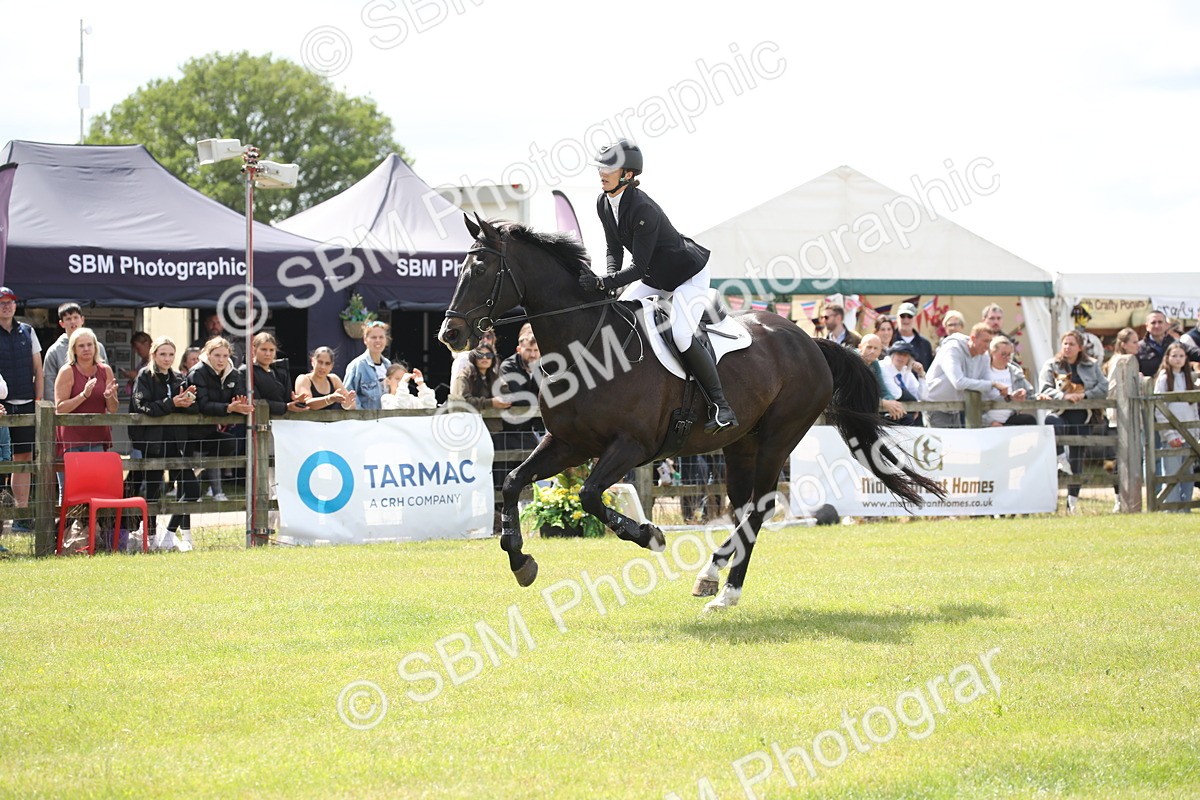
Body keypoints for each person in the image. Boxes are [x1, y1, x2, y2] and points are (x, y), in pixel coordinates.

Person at [579, 139, 736, 431]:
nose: (601, 172)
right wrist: (609, 282)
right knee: (619, 314)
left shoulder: (643, 209)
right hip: (656, 277)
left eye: (608, 167)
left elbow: (637, 267)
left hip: (688, 275)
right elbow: (614, 249)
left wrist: (604, 282)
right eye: (600, 166)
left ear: (627, 174)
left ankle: (722, 406)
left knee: (681, 334)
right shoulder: (604, 202)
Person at [130, 336, 199, 551]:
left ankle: (170, 533)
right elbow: (142, 406)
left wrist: (188, 402)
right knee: (152, 491)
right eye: (163, 354)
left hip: (177, 442)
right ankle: (149, 537)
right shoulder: (145, 376)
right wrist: (172, 403)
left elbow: (189, 408)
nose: (167, 358)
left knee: (191, 488)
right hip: (153, 442)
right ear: (154, 355)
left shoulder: (179, 377)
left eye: (171, 354)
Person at [1039, 330, 1109, 514]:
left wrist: (1084, 395)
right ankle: (1060, 460)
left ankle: (1072, 504)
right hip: (1060, 412)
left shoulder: (1091, 365)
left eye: (1072, 344)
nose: (1067, 347)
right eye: (1065, 344)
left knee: (1077, 459)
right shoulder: (1051, 365)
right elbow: (1044, 387)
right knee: (1051, 422)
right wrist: (1064, 395)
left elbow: (1104, 387)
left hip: (1082, 416)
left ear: (1079, 347)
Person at [187, 337, 253, 502]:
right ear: (208, 354)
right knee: (188, 490)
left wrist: (236, 409)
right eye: (217, 355)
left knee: (228, 444)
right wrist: (227, 408)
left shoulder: (234, 373)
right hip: (189, 431)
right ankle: (194, 488)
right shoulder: (197, 372)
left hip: (211, 430)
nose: (221, 359)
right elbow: (203, 404)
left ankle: (214, 489)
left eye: (225, 355)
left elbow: (239, 399)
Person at [0, 287, 43, 532]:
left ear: (16, 306)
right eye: (2, 302)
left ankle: (21, 515)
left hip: (26, 403)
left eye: (10, 302)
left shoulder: (27, 331)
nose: (7, 306)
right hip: (1, 407)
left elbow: (38, 369)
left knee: (23, 460)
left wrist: (38, 399)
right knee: (1, 460)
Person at [925, 323, 997, 428]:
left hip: (957, 409)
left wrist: (1008, 395)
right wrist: (993, 384)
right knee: (939, 444)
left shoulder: (984, 356)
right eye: (985, 341)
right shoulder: (952, 349)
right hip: (935, 407)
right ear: (973, 338)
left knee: (955, 444)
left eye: (990, 341)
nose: (988, 346)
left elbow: (987, 385)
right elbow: (958, 382)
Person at [1153, 342, 1198, 511]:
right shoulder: (1164, 378)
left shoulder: (1188, 378)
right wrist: (1170, 435)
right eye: (1174, 356)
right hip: (1173, 434)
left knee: (1188, 474)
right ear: (1167, 358)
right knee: (1172, 473)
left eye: (1181, 356)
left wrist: (1195, 432)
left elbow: (1193, 406)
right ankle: (1171, 508)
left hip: (1189, 433)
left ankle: (1185, 507)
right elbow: (1159, 408)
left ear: (1186, 358)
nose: (1178, 359)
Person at [42, 302, 109, 403]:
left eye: (75, 317)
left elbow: (106, 378)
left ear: (82, 319)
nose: (73, 322)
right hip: (66, 410)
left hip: (96, 406)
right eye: (68, 319)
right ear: (62, 323)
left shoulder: (98, 347)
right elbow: (49, 386)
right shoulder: (54, 351)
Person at [239, 332, 309, 416]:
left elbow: (287, 401)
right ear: (254, 349)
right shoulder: (246, 371)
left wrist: (297, 401)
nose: (268, 354)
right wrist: (285, 407)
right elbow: (255, 401)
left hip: (284, 423)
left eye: (271, 350)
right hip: (257, 422)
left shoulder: (281, 371)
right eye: (263, 349)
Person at [982, 336, 1035, 426]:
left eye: (1009, 354)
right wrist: (989, 422)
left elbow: (1030, 394)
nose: (1006, 358)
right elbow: (974, 404)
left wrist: (1039, 396)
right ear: (992, 352)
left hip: (1010, 418)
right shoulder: (982, 372)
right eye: (1003, 354)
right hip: (986, 421)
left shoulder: (1015, 372)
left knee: (1029, 420)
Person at [343, 321, 391, 411]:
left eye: (381, 337)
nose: (378, 340)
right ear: (365, 340)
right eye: (373, 337)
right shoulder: (357, 365)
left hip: (387, 421)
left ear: (386, 340)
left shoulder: (388, 365)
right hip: (365, 423)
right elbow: (348, 397)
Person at [1138, 309, 1200, 376]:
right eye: (1153, 323)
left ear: (1166, 325)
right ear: (1147, 326)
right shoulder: (1139, 348)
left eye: (1160, 322)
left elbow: (1195, 353)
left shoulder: (1176, 344)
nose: (1157, 326)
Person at [857, 334, 905, 421]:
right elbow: (856, 394)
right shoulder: (853, 362)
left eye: (876, 348)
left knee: (903, 417)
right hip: (849, 411)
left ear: (880, 351)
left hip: (868, 410)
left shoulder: (874, 364)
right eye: (869, 347)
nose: (872, 351)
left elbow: (882, 389)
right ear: (860, 347)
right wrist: (883, 403)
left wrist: (892, 402)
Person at [879, 340, 926, 426]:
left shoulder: (906, 371)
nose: (901, 358)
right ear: (892, 354)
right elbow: (896, 393)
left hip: (903, 419)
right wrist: (914, 408)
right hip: (884, 417)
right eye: (899, 354)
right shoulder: (883, 366)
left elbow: (922, 396)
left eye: (905, 355)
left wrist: (921, 375)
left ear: (909, 359)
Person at [895, 302, 934, 371]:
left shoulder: (925, 344)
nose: (906, 319)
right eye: (902, 316)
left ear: (915, 318)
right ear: (897, 318)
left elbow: (930, 370)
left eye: (910, 316)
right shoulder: (890, 340)